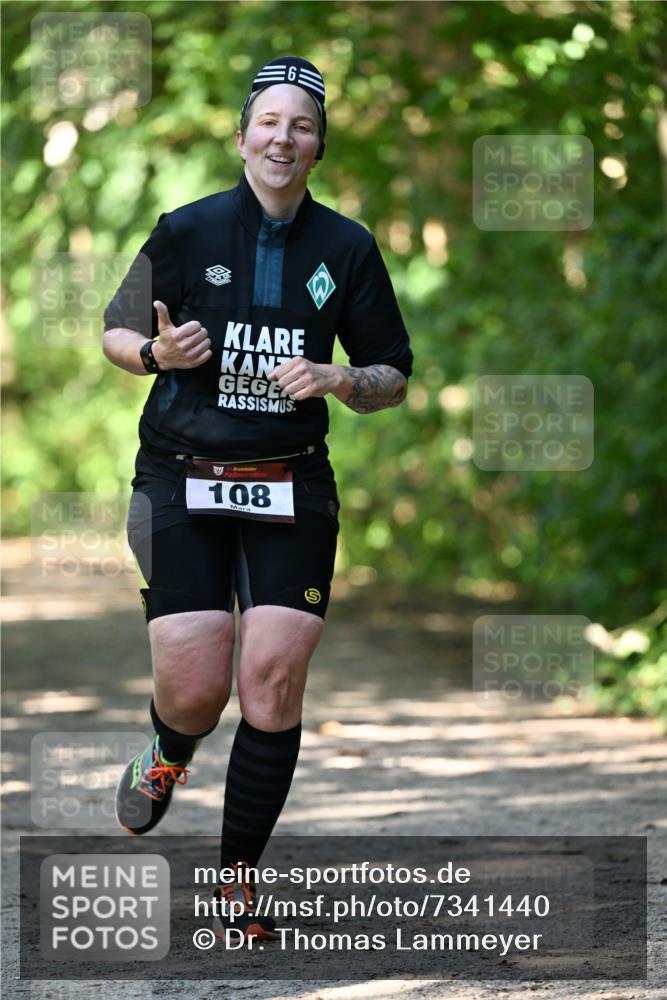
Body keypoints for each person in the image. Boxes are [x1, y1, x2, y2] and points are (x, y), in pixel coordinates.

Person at [103, 55, 413, 942]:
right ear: (242, 137)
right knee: (198, 688)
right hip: (181, 476)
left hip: (290, 481)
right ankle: (168, 752)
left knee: (272, 679)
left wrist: (342, 377)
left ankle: (237, 878)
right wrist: (158, 357)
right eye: (269, 123)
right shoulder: (186, 230)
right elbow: (116, 331)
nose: (284, 138)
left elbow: (393, 375)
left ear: (317, 148)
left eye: (302, 126)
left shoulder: (346, 247)